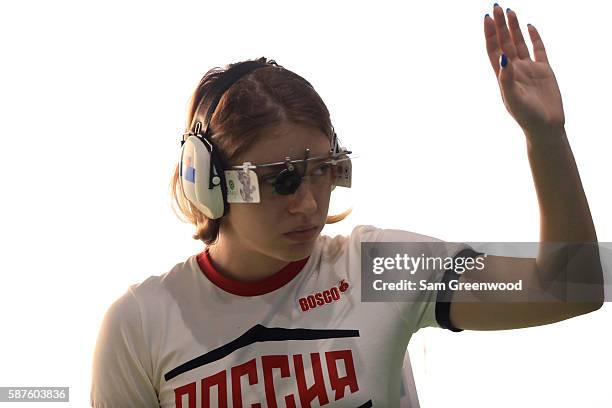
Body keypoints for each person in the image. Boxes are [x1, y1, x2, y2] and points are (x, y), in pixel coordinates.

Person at [90, 5, 604, 407]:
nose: (309, 203)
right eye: (282, 181)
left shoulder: (374, 270)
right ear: (209, 184)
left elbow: (571, 288)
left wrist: (546, 137)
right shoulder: (140, 324)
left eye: (325, 170)